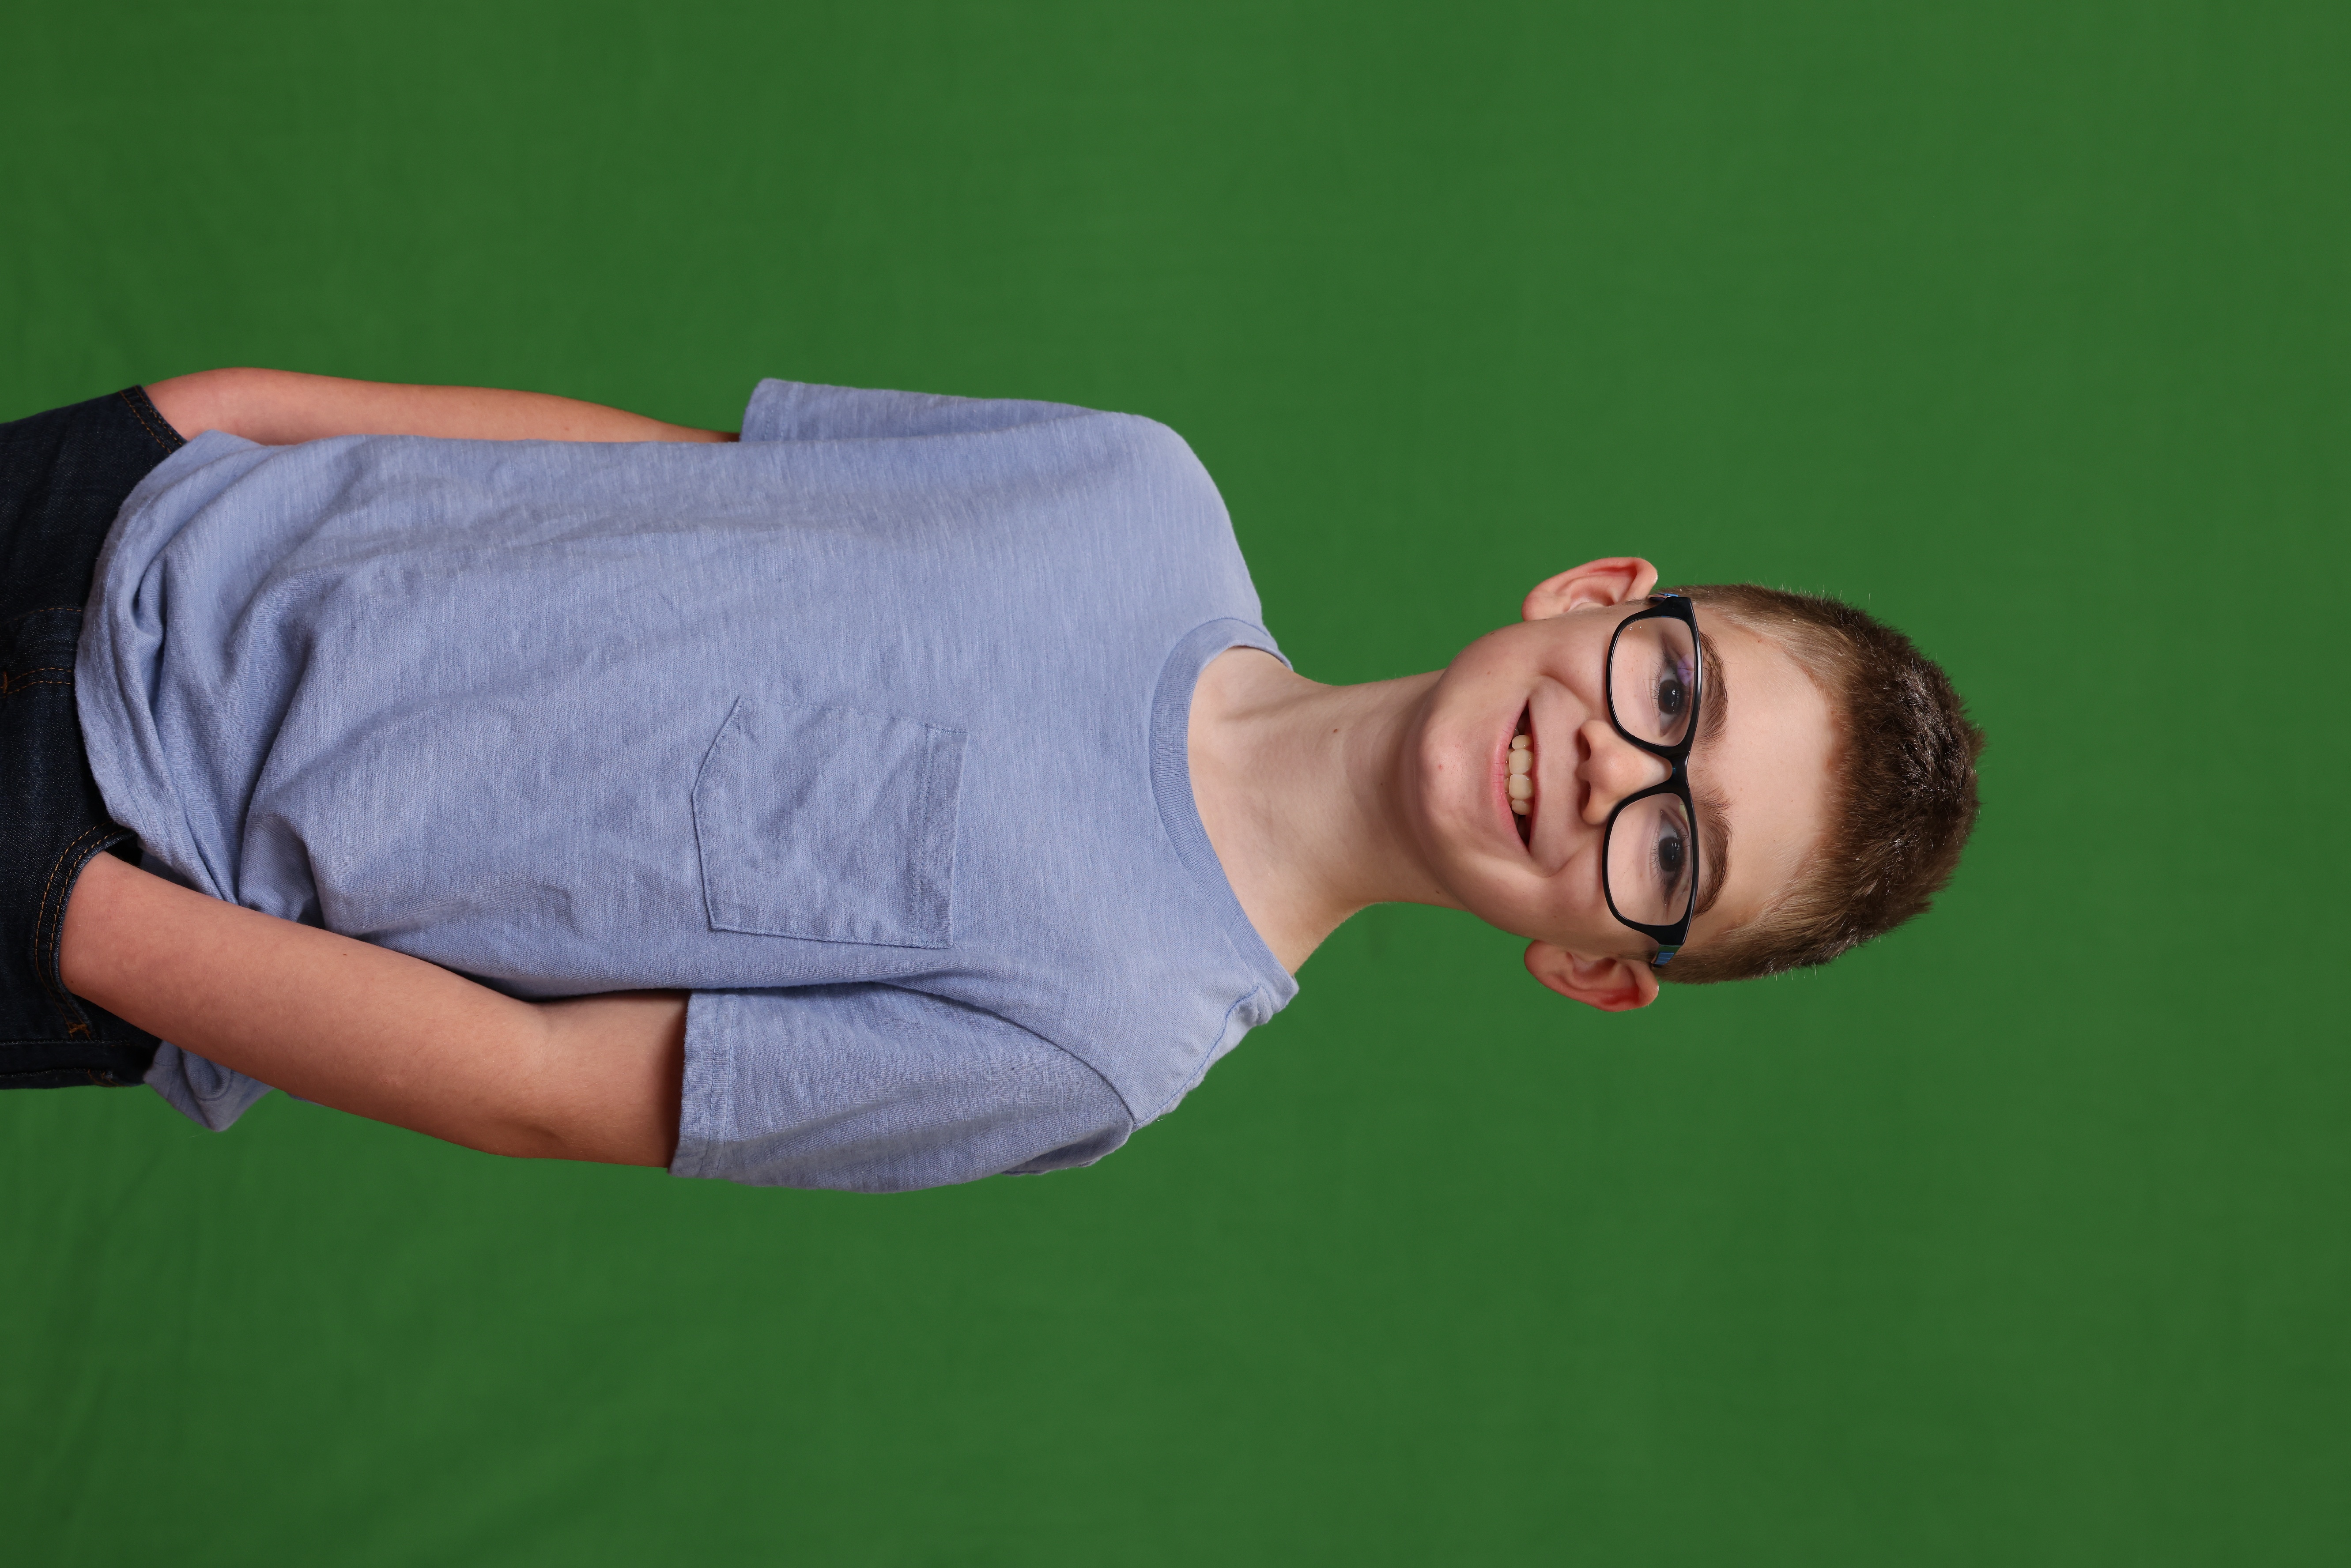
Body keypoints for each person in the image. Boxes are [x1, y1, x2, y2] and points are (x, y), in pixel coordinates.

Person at [2, 369, 1982, 1192]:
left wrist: (66, 907)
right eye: (1673, 690)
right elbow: (671, 477)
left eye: (1673, 851)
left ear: (1597, 965)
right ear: (1603, 595)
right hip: (146, 508)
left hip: (114, 856)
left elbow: (536, 1084)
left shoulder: (1100, 1039)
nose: (1616, 766)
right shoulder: (1134, 485)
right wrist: (219, 411)